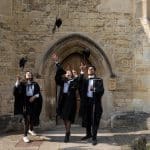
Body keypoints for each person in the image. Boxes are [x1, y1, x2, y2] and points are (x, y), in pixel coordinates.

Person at [52, 54, 78, 143]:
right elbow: (58, 75)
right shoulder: (63, 81)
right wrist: (56, 62)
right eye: (67, 73)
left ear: (71, 74)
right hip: (63, 101)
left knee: (68, 117)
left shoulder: (74, 81)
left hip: (71, 101)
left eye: (69, 73)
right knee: (64, 117)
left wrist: (76, 76)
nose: (68, 74)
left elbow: (78, 84)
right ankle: (68, 130)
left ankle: (67, 133)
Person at [13, 71, 43, 143]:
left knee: (33, 117)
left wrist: (34, 97)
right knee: (27, 119)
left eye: (30, 74)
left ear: (31, 76)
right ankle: (25, 136)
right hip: (25, 104)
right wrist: (17, 81)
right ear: (25, 76)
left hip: (33, 103)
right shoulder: (22, 84)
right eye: (27, 74)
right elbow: (16, 92)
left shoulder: (35, 84)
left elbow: (38, 93)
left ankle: (31, 129)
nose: (29, 75)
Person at [79, 63, 104, 145]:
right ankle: (88, 134)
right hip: (86, 103)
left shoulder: (99, 80)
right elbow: (79, 84)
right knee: (87, 119)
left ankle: (94, 137)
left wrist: (94, 89)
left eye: (92, 69)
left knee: (94, 120)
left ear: (94, 71)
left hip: (95, 103)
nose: (90, 70)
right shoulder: (85, 81)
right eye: (89, 69)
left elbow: (101, 91)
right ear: (87, 71)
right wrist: (82, 72)